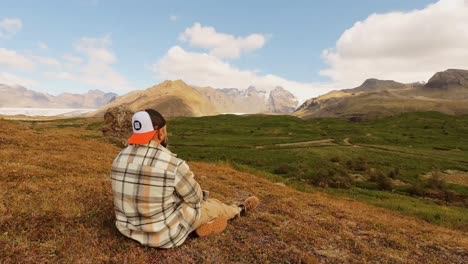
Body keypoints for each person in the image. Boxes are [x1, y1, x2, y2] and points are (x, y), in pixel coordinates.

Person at [110, 109, 260, 248]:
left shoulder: (118, 158)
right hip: (164, 236)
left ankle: (198, 227)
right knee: (212, 206)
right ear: (161, 133)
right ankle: (239, 209)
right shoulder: (172, 164)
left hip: (127, 230)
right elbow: (196, 199)